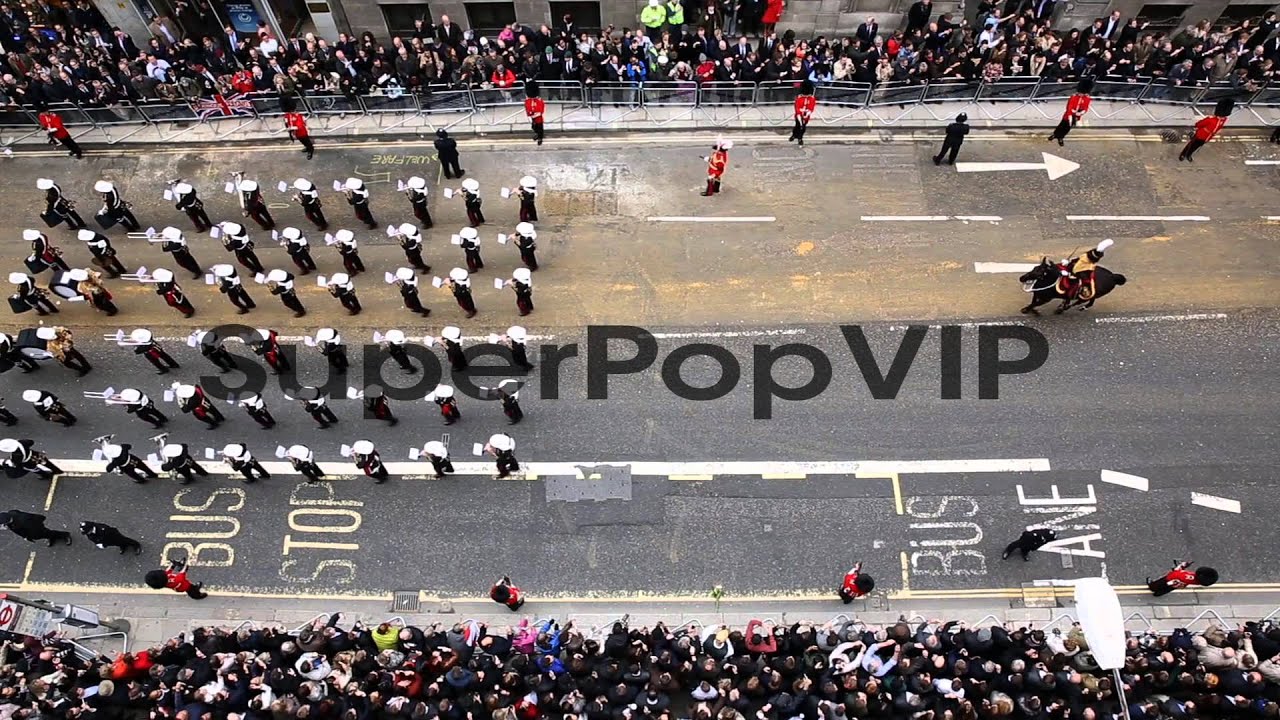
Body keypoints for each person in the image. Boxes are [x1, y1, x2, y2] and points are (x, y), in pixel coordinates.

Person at [1180, 98, 1234, 163]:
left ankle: (1189, 154)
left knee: (1196, 146)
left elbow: (1218, 127)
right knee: (1191, 145)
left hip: (1208, 136)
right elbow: (1199, 124)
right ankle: (1183, 154)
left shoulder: (1223, 119)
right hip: (1200, 134)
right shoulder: (1210, 119)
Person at [1049, 79, 1092, 146]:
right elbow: (1069, 107)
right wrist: (1070, 117)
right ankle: (1055, 135)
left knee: (1067, 129)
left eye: (1082, 93)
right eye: (1080, 93)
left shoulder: (1087, 98)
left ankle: (1061, 137)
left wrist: (1081, 113)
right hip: (1068, 115)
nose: (1080, 94)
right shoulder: (1073, 97)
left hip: (1076, 116)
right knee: (1061, 126)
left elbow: (1085, 107)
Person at [1, 509, 72, 546]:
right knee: (46, 534)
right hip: (30, 531)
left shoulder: (22, 521)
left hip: (35, 529)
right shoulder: (12, 513)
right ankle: (52, 537)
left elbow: (33, 524)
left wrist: (28, 536)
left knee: (46, 533)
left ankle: (65, 535)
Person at [1148, 560, 1219, 596]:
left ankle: (1152, 587)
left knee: (1158, 585)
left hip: (1171, 579)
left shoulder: (1188, 577)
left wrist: (1181, 566)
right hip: (1178, 583)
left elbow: (1178, 573)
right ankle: (1158, 593)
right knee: (1167, 589)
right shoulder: (1196, 579)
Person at [790, 81, 816, 146]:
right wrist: (800, 119)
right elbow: (797, 109)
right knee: (797, 126)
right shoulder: (799, 98)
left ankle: (800, 138)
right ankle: (794, 135)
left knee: (803, 128)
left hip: (806, 117)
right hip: (799, 116)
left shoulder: (811, 99)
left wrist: (807, 113)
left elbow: (811, 107)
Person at [524, 81, 546, 145]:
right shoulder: (528, 101)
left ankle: (540, 138)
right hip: (533, 118)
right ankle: (537, 135)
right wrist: (529, 115)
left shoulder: (539, 100)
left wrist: (533, 115)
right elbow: (527, 109)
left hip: (539, 119)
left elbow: (541, 111)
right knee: (534, 128)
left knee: (540, 129)